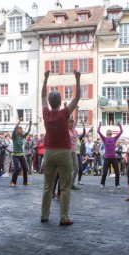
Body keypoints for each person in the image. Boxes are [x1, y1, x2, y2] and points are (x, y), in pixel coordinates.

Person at [41, 70, 81, 226]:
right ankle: (64, 217)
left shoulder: (46, 114)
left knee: (47, 186)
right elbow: (77, 97)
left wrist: (45, 79)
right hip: (64, 152)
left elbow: (43, 96)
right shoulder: (64, 113)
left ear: (50, 102)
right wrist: (77, 78)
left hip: (49, 152)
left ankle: (44, 215)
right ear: (60, 101)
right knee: (64, 187)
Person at [97, 121, 123, 188]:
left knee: (117, 172)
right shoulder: (105, 139)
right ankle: (102, 184)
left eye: (109, 134)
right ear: (107, 134)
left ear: (111, 134)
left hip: (113, 158)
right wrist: (99, 124)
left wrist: (119, 125)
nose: (109, 136)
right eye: (108, 135)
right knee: (105, 172)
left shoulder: (111, 138)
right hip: (107, 158)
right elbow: (98, 131)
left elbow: (121, 132)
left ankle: (117, 184)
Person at [10, 119, 31, 187]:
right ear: (17, 131)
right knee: (17, 169)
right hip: (15, 155)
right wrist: (18, 122)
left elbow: (28, 131)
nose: (21, 130)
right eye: (19, 129)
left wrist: (30, 124)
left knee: (25, 168)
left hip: (21, 154)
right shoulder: (14, 137)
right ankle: (13, 182)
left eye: (21, 129)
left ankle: (25, 182)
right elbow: (14, 129)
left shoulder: (22, 137)